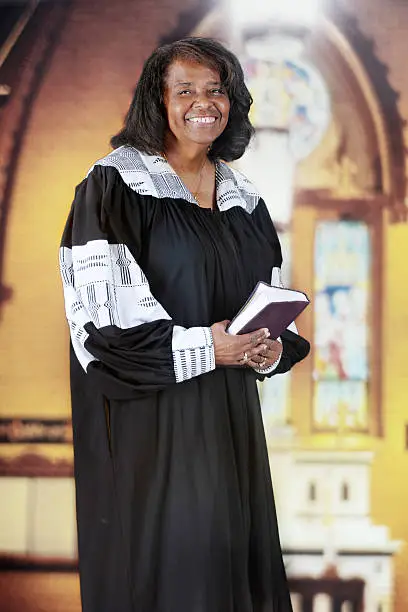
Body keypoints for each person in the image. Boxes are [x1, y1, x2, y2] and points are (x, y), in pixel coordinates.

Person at [59, 37, 310, 612]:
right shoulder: (114, 187)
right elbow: (100, 332)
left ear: (233, 101)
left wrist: (265, 349)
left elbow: (268, 304)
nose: (205, 103)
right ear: (157, 100)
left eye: (216, 89)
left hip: (229, 422)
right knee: (175, 581)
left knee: (231, 578)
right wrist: (210, 348)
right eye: (186, 90)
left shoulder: (245, 201)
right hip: (152, 427)